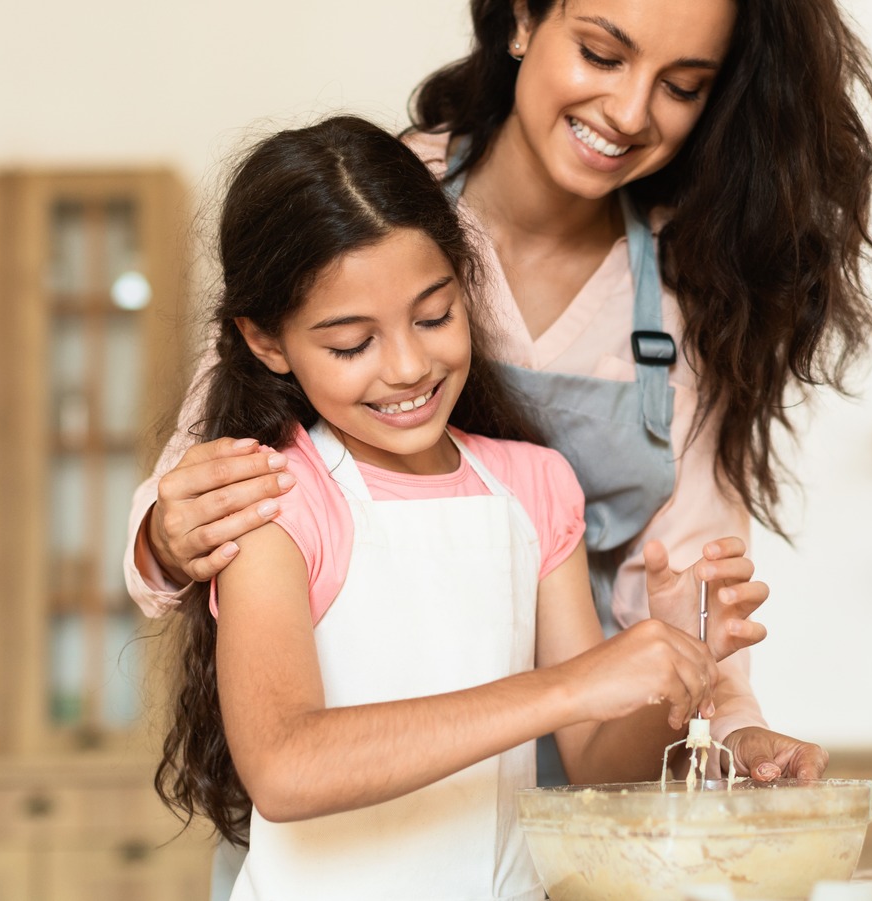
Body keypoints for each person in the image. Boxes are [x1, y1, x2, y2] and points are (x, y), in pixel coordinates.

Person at [128, 0, 872, 783]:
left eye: (683, 86)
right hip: (339, 797)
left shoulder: (694, 288)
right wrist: (169, 532)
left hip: (569, 789)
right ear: (522, 18)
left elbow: (683, 594)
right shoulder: (374, 202)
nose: (629, 112)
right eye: (601, 54)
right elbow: (204, 475)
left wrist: (726, 727)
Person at [155, 114, 770, 900]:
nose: (409, 366)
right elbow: (285, 766)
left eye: (434, 315)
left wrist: (675, 660)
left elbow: (596, 762)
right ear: (267, 342)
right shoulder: (274, 500)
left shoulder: (536, 486)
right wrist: (570, 686)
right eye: (351, 344)